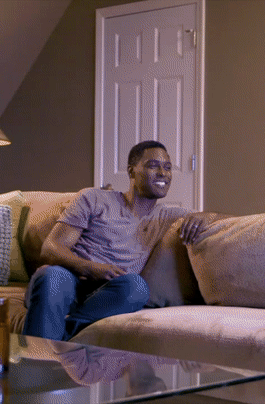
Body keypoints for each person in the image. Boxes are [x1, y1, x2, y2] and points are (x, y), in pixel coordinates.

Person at [22, 140, 224, 341]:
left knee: (137, 287)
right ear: (131, 171)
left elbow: (225, 220)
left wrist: (205, 216)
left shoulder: (166, 216)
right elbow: (51, 248)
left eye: (168, 167)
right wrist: (92, 268)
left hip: (109, 293)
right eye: (153, 165)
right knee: (52, 276)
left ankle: (61, 339)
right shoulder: (94, 198)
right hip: (68, 280)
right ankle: (40, 355)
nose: (163, 173)